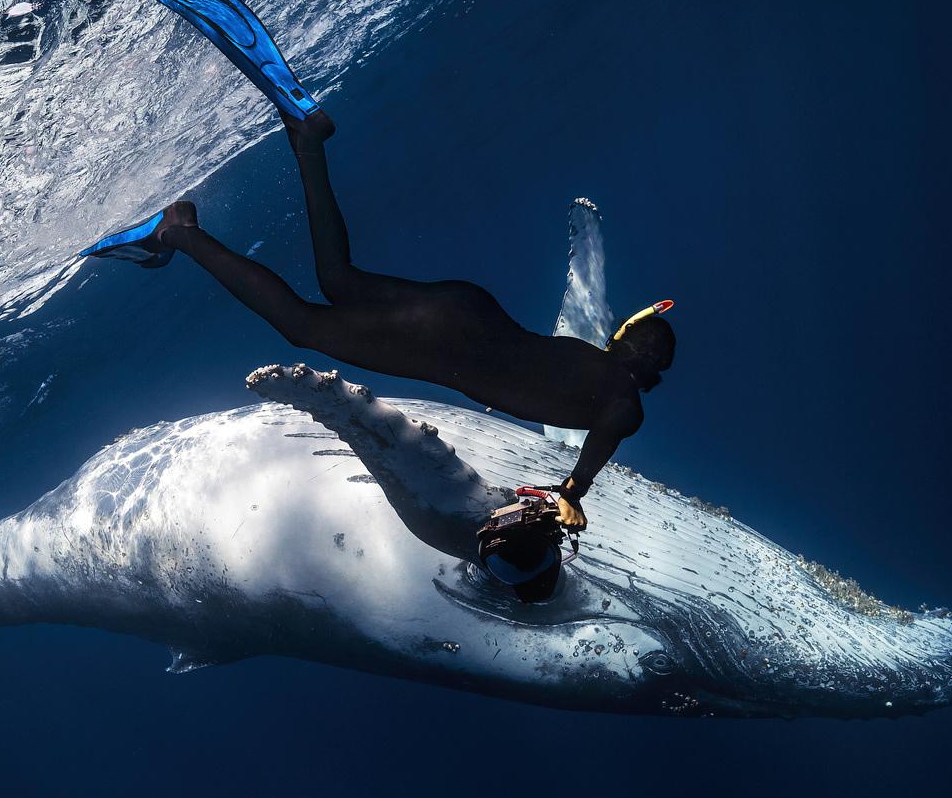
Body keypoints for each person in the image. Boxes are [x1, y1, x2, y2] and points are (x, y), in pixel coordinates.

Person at [124, 109, 675, 532]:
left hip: (465, 309)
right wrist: (572, 493)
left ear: (623, 338)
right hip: (442, 347)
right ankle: (180, 233)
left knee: (338, 278)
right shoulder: (622, 403)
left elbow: (603, 381)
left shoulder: (596, 361)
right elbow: (606, 435)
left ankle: (307, 143)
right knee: (301, 325)